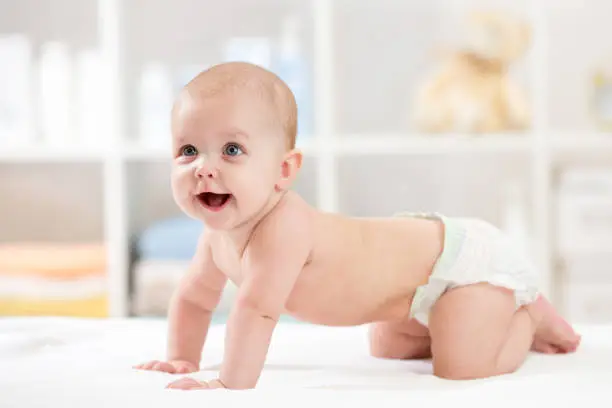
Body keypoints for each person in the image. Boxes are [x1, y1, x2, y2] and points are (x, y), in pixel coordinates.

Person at [134, 62, 580, 390]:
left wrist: (229, 385)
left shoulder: (282, 227)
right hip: (411, 290)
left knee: (461, 366)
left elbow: (256, 311)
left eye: (232, 150)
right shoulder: (216, 237)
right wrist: (181, 357)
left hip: (460, 265)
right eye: (189, 150)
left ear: (284, 171)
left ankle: (526, 312)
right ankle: (466, 318)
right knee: (386, 347)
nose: (204, 169)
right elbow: (194, 298)